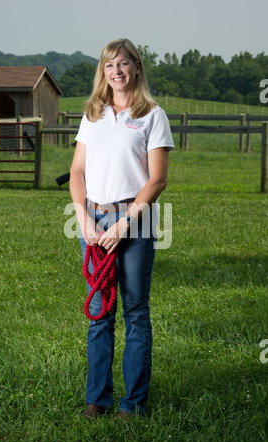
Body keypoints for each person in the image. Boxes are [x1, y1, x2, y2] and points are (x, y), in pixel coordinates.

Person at [69, 38, 174, 419]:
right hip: (94, 222)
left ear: (137, 69)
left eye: (124, 64)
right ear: (104, 72)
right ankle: (98, 399)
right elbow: (77, 171)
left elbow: (157, 180)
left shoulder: (152, 115)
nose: (117, 71)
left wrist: (124, 225)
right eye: (110, 65)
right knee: (99, 313)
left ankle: (133, 405)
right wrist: (84, 219)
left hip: (135, 222)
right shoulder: (92, 115)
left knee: (134, 312)